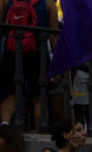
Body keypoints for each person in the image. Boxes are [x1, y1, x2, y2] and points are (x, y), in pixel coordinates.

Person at [0, 0, 58, 128]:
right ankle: (40, 130)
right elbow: (54, 36)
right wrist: (57, 65)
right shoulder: (48, 4)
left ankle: (4, 129)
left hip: (11, 53)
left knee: (10, 97)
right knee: (39, 98)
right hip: (38, 55)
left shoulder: (5, 1)